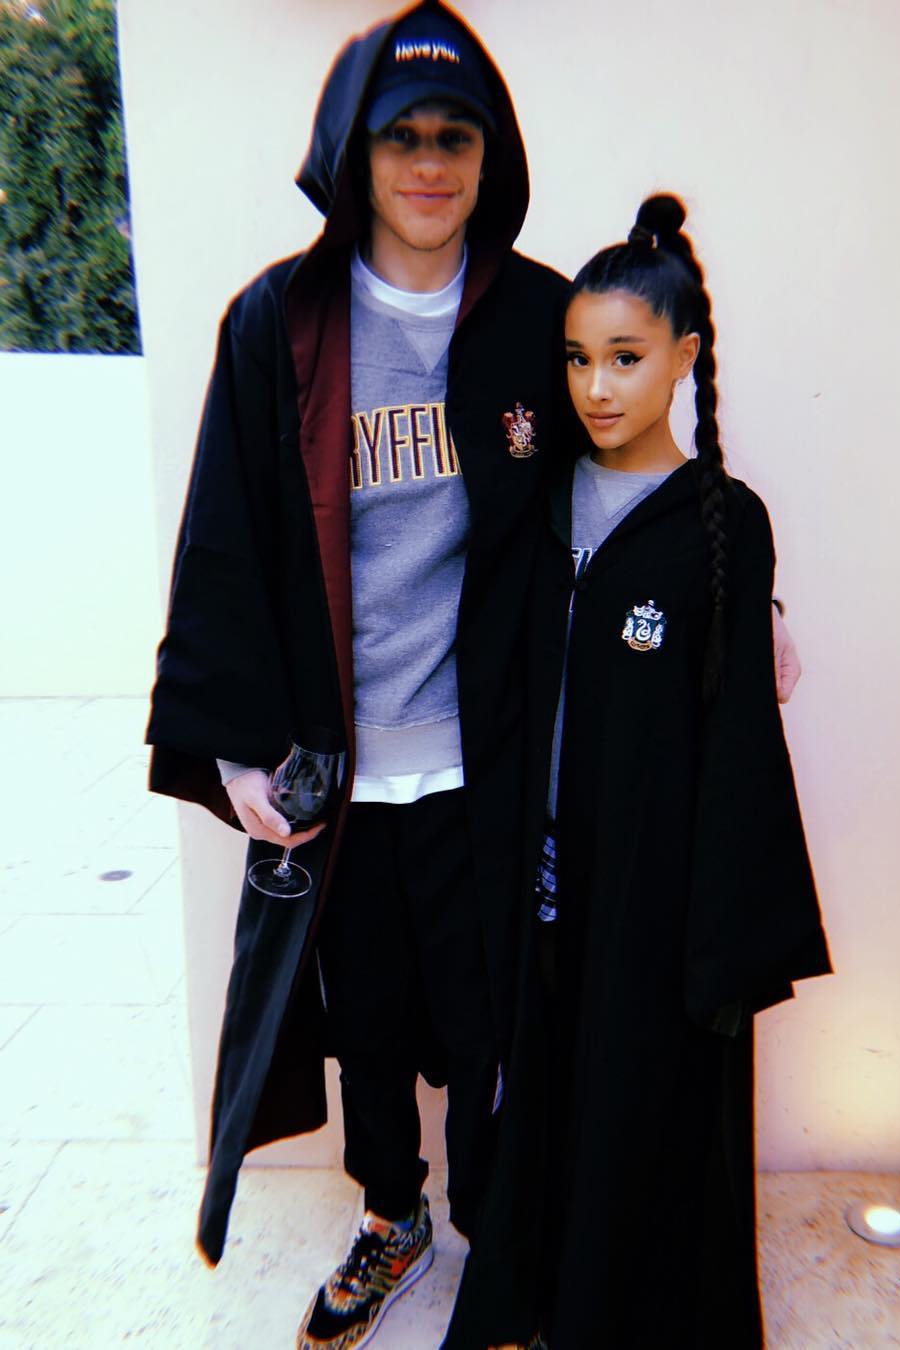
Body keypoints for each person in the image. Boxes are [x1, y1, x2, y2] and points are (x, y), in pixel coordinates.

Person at [145, 4, 802, 1347]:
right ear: (353, 154)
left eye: (457, 137)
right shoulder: (284, 323)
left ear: (490, 154)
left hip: (491, 750)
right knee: (371, 1019)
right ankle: (391, 1215)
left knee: (495, 1008)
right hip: (343, 761)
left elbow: (630, 467)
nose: (430, 164)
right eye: (403, 138)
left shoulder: (538, 316)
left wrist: (747, 597)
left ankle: (502, 1232)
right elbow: (226, 533)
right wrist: (233, 744)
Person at [442, 195, 832, 1350]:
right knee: (545, 1082)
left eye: (625, 356)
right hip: (539, 870)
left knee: (637, 1102)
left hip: (650, 892)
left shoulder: (724, 524)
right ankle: (534, 1285)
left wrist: (722, 934)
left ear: (683, 357)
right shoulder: (540, 494)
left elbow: (738, 748)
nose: (598, 387)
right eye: (577, 359)